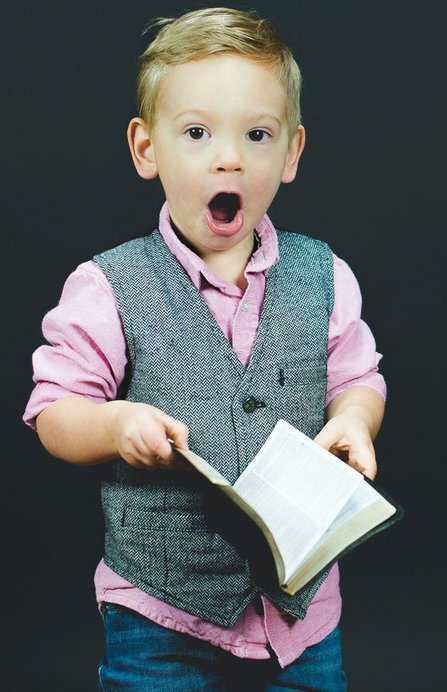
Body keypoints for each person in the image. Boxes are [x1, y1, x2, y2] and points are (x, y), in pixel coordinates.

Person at [22, 7, 386, 689]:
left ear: (292, 153)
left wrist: (354, 420)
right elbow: (53, 411)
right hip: (162, 613)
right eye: (196, 133)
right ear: (146, 149)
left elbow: (358, 376)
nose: (230, 157)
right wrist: (113, 423)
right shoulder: (109, 286)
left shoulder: (325, 276)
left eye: (257, 134)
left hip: (300, 614)